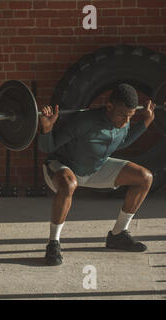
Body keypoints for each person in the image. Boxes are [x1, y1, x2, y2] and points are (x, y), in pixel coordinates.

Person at [38, 83, 156, 266]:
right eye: (122, 115)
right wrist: (47, 129)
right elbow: (48, 148)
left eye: (130, 116)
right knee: (69, 184)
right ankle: (53, 243)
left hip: (95, 168)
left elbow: (122, 142)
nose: (125, 121)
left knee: (144, 177)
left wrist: (145, 122)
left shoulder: (123, 121)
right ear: (109, 106)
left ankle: (118, 235)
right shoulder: (83, 121)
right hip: (62, 168)